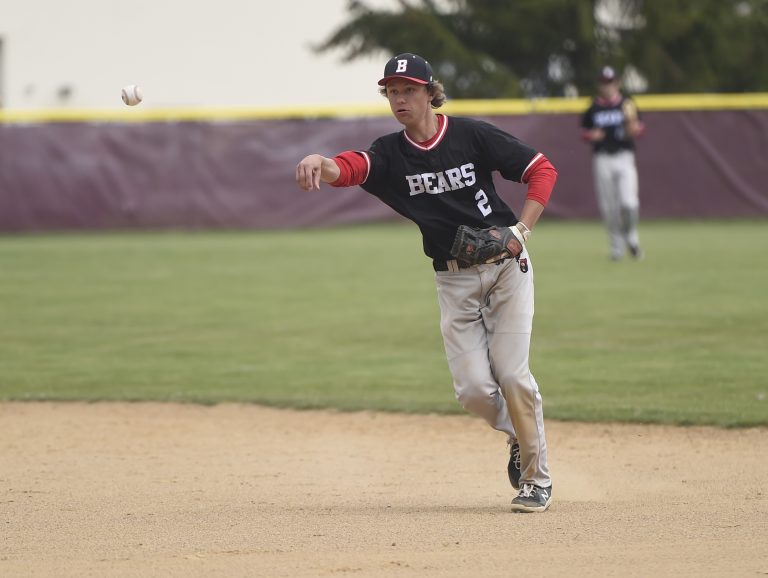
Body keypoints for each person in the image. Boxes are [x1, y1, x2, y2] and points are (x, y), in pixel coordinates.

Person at [295, 53, 558, 513]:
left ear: (430, 92)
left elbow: (541, 169)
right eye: (393, 91)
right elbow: (353, 168)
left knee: (513, 374)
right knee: (473, 392)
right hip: (452, 280)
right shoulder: (391, 154)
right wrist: (322, 161)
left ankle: (537, 479)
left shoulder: (470, 135)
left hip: (505, 268)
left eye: (409, 90)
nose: (400, 99)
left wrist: (521, 231)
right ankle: (521, 432)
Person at [581, 66, 645, 260]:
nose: (607, 86)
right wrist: (592, 135)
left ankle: (631, 237)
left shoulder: (627, 103)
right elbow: (584, 132)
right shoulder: (594, 107)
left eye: (610, 82)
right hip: (602, 159)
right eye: (603, 82)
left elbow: (639, 129)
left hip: (624, 157)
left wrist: (632, 128)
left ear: (617, 83)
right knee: (609, 207)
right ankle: (616, 246)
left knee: (628, 202)